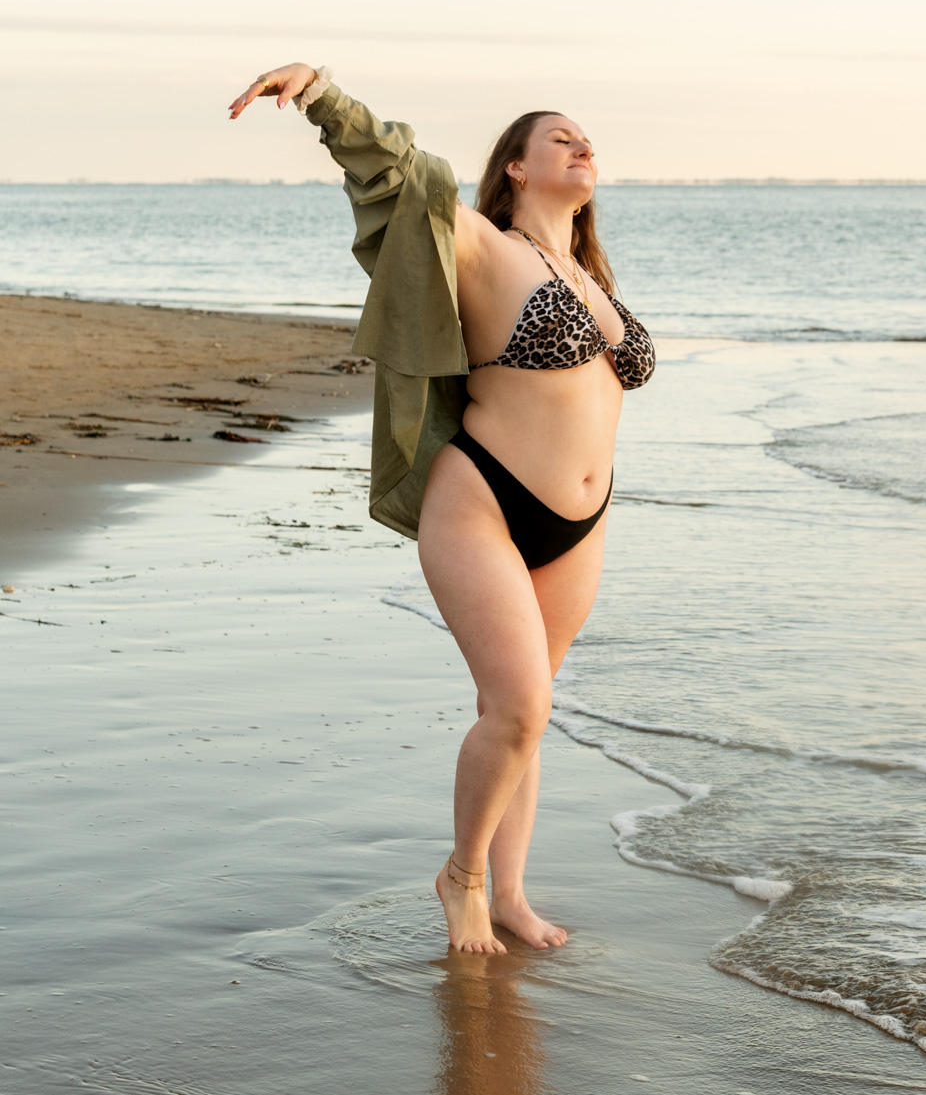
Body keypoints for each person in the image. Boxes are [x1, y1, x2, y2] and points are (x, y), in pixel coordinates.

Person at [229, 63, 655, 954]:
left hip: (582, 521)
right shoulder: (479, 244)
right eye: (560, 137)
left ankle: (510, 892)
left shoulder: (593, 279)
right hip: (484, 501)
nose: (583, 146)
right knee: (521, 706)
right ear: (515, 168)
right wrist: (321, 97)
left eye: (587, 137)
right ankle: (459, 878)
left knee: (525, 710)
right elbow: (397, 175)